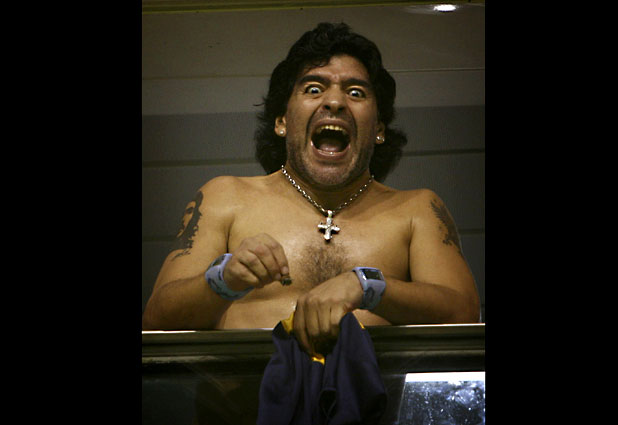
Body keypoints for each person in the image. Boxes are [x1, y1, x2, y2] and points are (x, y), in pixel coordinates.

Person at [142, 22, 480, 356]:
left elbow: (464, 314)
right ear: (282, 122)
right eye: (314, 89)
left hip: (375, 395)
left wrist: (369, 286)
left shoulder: (418, 210)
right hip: (245, 394)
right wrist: (224, 278)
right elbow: (156, 320)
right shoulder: (224, 197)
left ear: (379, 129)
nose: (334, 102)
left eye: (356, 92)